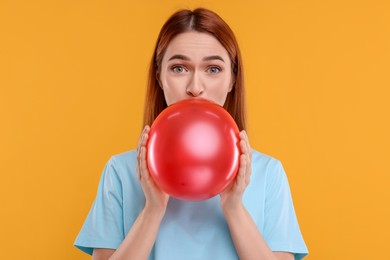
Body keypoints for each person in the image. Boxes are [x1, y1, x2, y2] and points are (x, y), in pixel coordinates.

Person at [74, 8, 308, 260]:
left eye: (213, 69)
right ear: (159, 76)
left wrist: (234, 208)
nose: (195, 88)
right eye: (178, 68)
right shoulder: (121, 171)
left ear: (232, 80)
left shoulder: (268, 173)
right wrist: (153, 209)